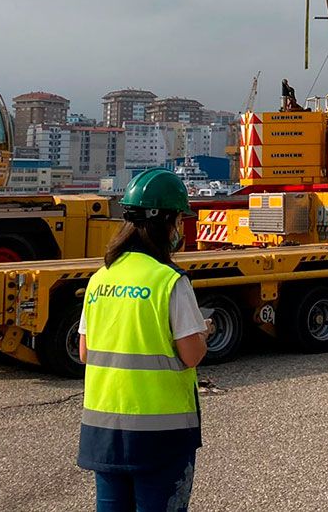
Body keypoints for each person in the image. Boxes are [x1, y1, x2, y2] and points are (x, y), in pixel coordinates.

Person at [77, 168, 208, 512]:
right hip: (160, 437)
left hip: (103, 432)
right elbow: (192, 354)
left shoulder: (99, 279)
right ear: (163, 221)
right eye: (178, 219)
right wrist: (202, 331)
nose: (180, 228)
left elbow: (85, 351)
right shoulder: (169, 281)